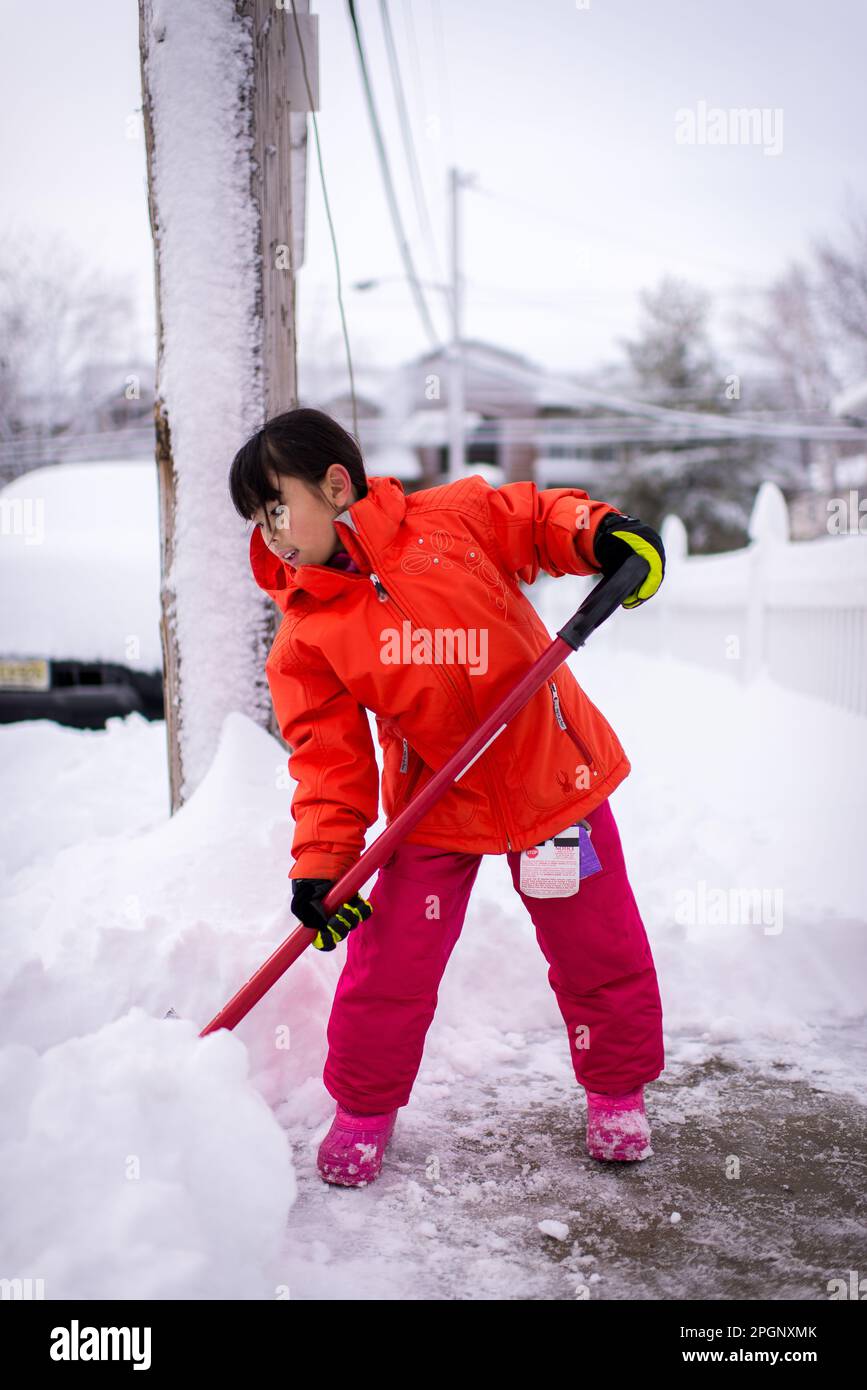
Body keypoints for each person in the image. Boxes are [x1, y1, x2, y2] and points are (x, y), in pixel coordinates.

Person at [229, 407, 666, 1187]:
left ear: (334, 485)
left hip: (548, 779)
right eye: (257, 521)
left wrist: (598, 533)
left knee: (596, 948)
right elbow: (328, 762)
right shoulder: (306, 635)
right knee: (388, 965)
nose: (270, 535)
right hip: (435, 802)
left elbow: (534, 520)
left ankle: (615, 1091)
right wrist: (321, 866)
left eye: (274, 509)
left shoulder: (451, 518)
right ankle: (362, 1107)